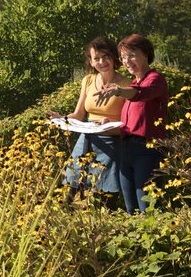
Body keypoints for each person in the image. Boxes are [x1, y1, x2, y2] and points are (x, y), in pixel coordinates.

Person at [45, 36, 130, 209]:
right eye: (96, 58)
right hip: (86, 138)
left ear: (114, 57)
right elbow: (78, 114)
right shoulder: (88, 81)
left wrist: (110, 122)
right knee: (70, 188)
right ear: (91, 62)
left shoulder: (126, 84)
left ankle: (104, 229)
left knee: (104, 194)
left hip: (111, 143)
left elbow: (129, 121)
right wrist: (61, 118)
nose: (102, 61)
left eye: (105, 56)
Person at [94, 33, 168, 214]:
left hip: (148, 151)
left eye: (132, 55)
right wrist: (109, 123)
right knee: (131, 210)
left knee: (148, 209)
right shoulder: (134, 83)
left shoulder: (155, 79)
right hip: (127, 151)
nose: (127, 61)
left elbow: (140, 94)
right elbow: (134, 120)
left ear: (146, 54)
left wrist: (118, 91)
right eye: (123, 57)